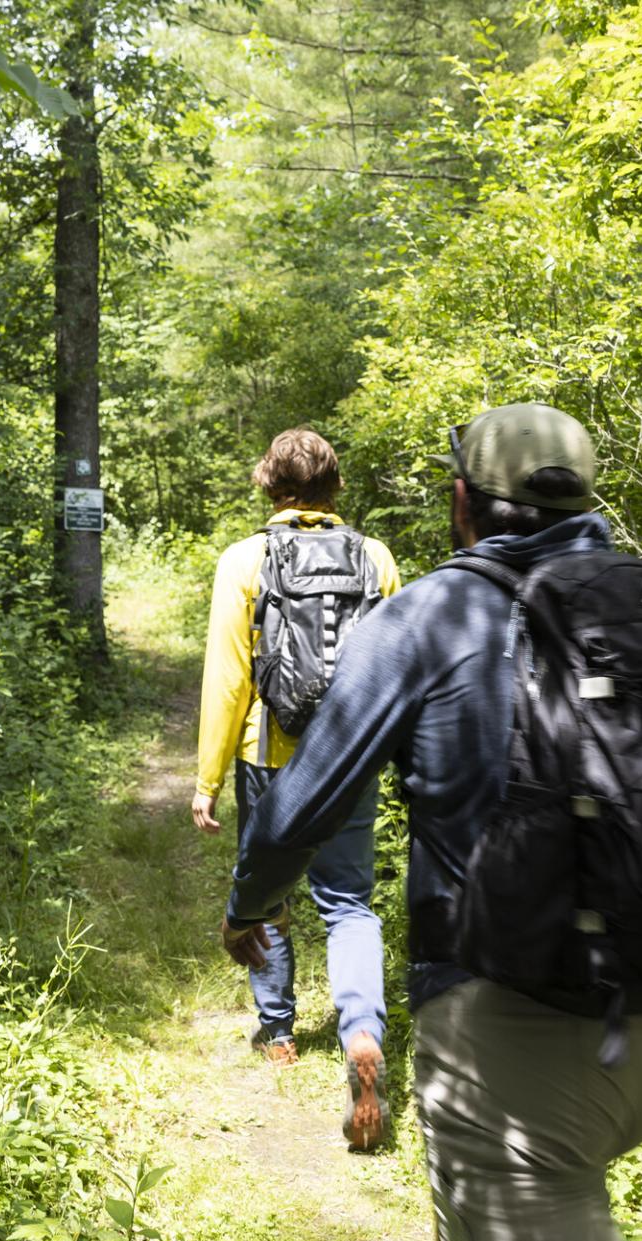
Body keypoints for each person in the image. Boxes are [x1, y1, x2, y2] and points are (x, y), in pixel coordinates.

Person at [220, 405, 642, 1241]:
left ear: (462, 499)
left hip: (512, 1035)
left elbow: (298, 806)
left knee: (525, 1216)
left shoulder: (428, 618)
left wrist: (248, 906)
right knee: (463, 1236)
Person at [192, 427, 401, 1150]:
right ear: (335, 485)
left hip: (271, 757)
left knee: (269, 892)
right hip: (351, 757)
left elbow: (229, 679)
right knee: (348, 902)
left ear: (267, 484)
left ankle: (278, 1032)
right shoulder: (373, 556)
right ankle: (364, 1033)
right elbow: (394, 668)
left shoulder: (246, 558)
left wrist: (207, 779)